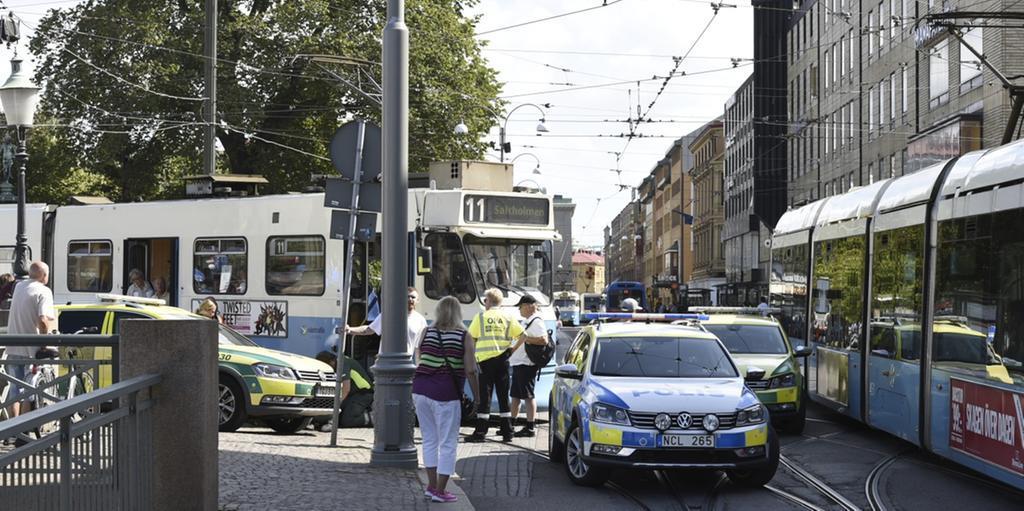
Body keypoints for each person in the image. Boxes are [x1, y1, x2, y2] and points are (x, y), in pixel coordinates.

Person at [413, 296, 480, 504]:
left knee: (430, 439)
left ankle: (431, 486)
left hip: (420, 391)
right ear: (458, 313)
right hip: (446, 393)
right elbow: (470, 369)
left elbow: (419, 358)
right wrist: (477, 397)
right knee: (448, 443)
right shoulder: (464, 336)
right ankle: (440, 491)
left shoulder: (427, 332)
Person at [465, 288, 526, 443]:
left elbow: (471, 338)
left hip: (485, 362)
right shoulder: (508, 317)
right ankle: (507, 431)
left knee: (485, 396)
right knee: (503, 395)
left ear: (488, 301)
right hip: (503, 360)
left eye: (485, 300)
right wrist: (512, 349)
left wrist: (471, 357)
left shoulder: (481, 317)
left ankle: (480, 432)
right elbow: (523, 335)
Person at [4, 262, 57, 419]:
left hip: (13, 347)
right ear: (44, 276)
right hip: (31, 350)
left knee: (14, 389)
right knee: (29, 390)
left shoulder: (19, 287)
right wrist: (44, 343)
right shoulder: (44, 291)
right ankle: (24, 432)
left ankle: (12, 431)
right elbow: (43, 320)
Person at [508, 295, 548, 438]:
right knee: (516, 396)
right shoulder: (528, 321)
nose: (519, 310)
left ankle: (530, 427)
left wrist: (525, 339)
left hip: (527, 364)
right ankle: (510, 425)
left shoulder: (536, 321)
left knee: (528, 396)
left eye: (521, 307)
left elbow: (543, 340)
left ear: (530, 306)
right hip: (519, 363)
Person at [345, 286, 427, 355]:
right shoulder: (388, 314)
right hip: (385, 363)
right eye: (407, 296)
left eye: (413, 297)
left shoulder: (420, 321)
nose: (410, 299)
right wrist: (350, 330)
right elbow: (369, 329)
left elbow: (420, 347)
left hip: (406, 365)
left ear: (418, 300)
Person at [312, 351, 374, 430]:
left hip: (363, 394)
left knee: (348, 420)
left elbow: (346, 388)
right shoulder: (338, 362)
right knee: (340, 418)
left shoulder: (342, 363)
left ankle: (372, 417)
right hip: (352, 395)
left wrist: (336, 404)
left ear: (332, 361)